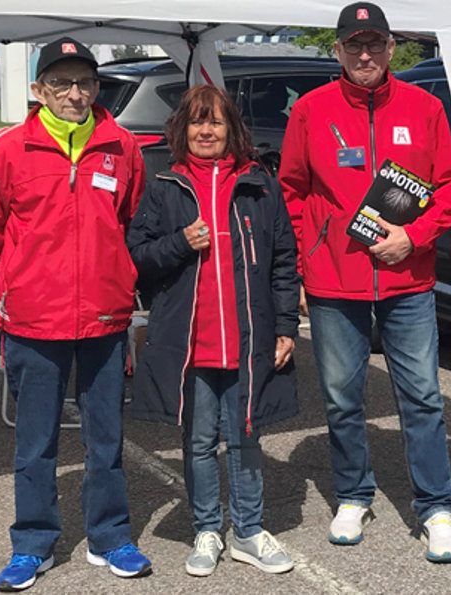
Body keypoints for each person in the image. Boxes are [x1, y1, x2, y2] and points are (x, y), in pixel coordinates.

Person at [278, 1, 451, 563]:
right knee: (340, 397)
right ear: (337, 51)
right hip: (336, 280)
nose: (365, 54)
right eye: (354, 45)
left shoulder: (425, 108)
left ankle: (435, 507)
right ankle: (354, 495)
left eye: (375, 44)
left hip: (408, 278)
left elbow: (449, 189)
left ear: (390, 49)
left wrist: (416, 237)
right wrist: (305, 268)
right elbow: (291, 191)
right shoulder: (310, 111)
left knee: (422, 397)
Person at [0, 37, 152, 591]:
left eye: (85, 83)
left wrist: (108, 275)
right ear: (38, 90)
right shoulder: (6, 149)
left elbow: (131, 221)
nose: (75, 93)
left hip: (103, 316)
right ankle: (32, 543)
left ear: (97, 88)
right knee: (35, 441)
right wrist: (24, 279)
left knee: (106, 438)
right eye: (61, 83)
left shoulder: (121, 146)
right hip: (32, 320)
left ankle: (110, 537)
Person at [126, 84, 300, 577]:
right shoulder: (165, 184)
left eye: (216, 122)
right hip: (191, 343)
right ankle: (206, 527)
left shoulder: (260, 184)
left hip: (247, 340)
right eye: (198, 122)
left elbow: (284, 260)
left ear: (232, 129)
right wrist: (179, 243)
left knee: (246, 435)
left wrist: (286, 324)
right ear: (183, 129)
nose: (207, 131)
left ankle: (247, 530)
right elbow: (137, 257)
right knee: (200, 439)